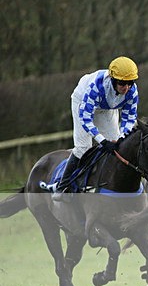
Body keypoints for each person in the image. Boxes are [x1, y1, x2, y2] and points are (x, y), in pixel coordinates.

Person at [52, 56, 139, 199]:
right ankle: (62, 186)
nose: (127, 87)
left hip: (107, 107)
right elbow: (85, 118)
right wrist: (102, 140)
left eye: (130, 83)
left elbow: (129, 118)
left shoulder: (132, 92)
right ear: (113, 79)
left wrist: (122, 137)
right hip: (83, 103)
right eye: (123, 83)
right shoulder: (96, 87)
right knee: (83, 147)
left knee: (116, 143)